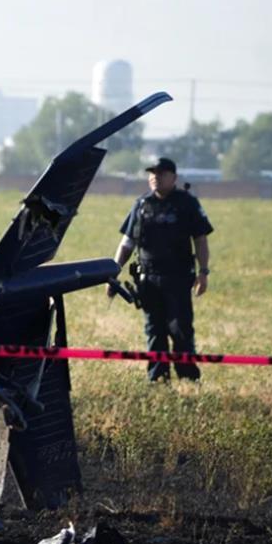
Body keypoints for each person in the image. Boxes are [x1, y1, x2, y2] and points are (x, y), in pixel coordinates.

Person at [108, 157, 213, 382]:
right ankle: (157, 378)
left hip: (178, 278)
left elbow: (201, 240)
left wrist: (203, 273)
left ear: (173, 178)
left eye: (162, 173)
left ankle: (188, 378)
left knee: (180, 329)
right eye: (152, 173)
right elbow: (127, 243)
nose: (155, 177)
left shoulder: (187, 203)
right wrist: (113, 273)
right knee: (154, 331)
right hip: (148, 280)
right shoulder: (141, 205)